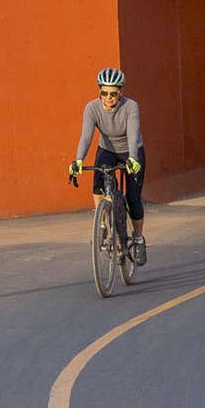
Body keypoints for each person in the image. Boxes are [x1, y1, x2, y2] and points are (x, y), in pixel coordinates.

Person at [66, 67, 147, 265]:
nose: (108, 98)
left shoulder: (130, 107)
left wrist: (133, 159)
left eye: (113, 94)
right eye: (104, 93)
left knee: (133, 198)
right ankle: (102, 223)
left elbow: (133, 135)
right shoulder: (92, 108)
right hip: (107, 149)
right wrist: (78, 160)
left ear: (120, 92)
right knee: (98, 184)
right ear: (99, 91)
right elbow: (86, 136)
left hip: (131, 150)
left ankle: (138, 239)